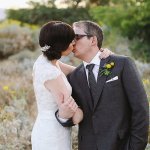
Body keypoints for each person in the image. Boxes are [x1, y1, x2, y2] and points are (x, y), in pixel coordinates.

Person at [56, 20, 149, 150]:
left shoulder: (122, 64)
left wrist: (135, 147)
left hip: (122, 145)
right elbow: (77, 113)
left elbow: (141, 109)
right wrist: (64, 116)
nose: (72, 42)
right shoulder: (74, 77)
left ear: (93, 40)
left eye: (76, 37)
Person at [31, 21, 111, 150]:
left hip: (44, 125)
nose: (74, 43)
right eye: (71, 40)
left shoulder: (45, 61)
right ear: (61, 45)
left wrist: (100, 55)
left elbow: (79, 72)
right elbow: (76, 116)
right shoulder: (52, 75)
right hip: (53, 134)